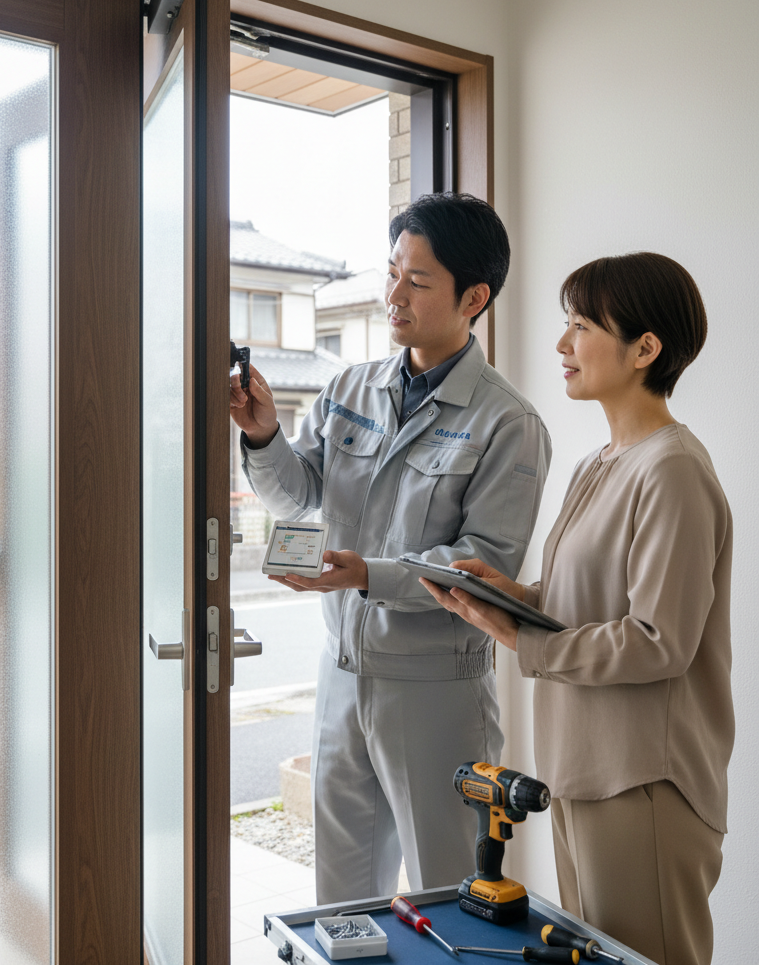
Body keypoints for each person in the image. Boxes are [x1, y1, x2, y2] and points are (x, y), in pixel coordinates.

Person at [230, 193, 551, 903]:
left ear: (474, 297)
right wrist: (260, 434)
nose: (393, 295)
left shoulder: (508, 423)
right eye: (391, 272)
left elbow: (485, 565)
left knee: (450, 893)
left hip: (436, 689)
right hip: (342, 675)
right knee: (343, 898)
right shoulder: (351, 386)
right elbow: (298, 493)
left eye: (417, 280)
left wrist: (366, 575)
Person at [420, 252, 731, 965]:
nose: (562, 344)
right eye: (566, 324)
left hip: (645, 783)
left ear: (645, 350)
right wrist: (503, 593)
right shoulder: (599, 462)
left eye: (582, 325)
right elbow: (574, 603)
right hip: (582, 772)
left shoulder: (673, 470)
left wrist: (522, 641)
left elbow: (660, 642)